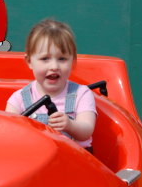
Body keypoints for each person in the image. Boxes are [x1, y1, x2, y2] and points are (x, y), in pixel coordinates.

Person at [6, 19, 97, 152]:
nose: (54, 66)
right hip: (34, 158)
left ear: (73, 61)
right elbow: (9, 133)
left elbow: (87, 130)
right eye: (45, 59)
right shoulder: (19, 99)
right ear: (29, 61)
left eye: (62, 59)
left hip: (75, 161)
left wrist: (70, 125)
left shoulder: (81, 94)